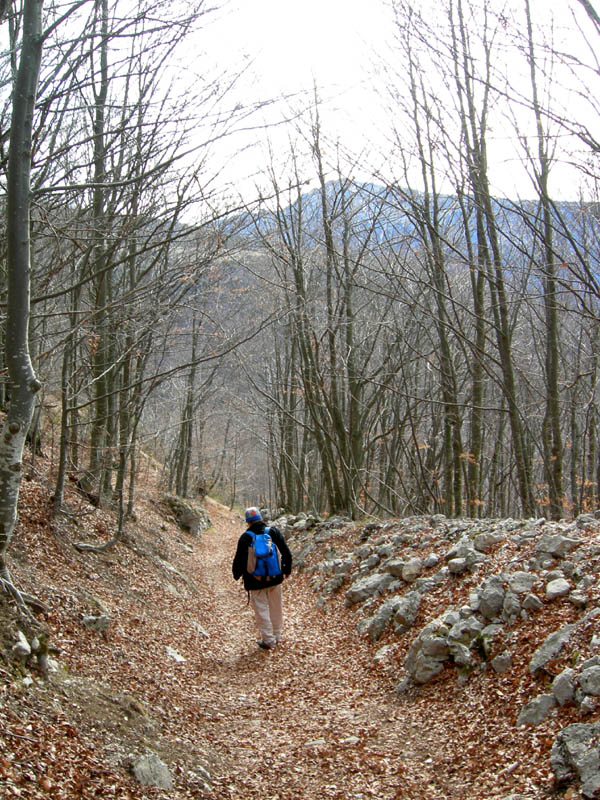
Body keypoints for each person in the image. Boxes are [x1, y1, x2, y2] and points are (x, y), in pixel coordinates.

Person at [232, 507, 292, 650]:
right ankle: (277, 635)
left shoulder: (246, 537)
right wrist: (286, 570)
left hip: (254, 581)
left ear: (248, 522)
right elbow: (286, 552)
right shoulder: (273, 532)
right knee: (276, 607)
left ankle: (268, 640)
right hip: (275, 578)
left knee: (262, 610)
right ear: (260, 518)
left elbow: (239, 560)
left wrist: (237, 574)